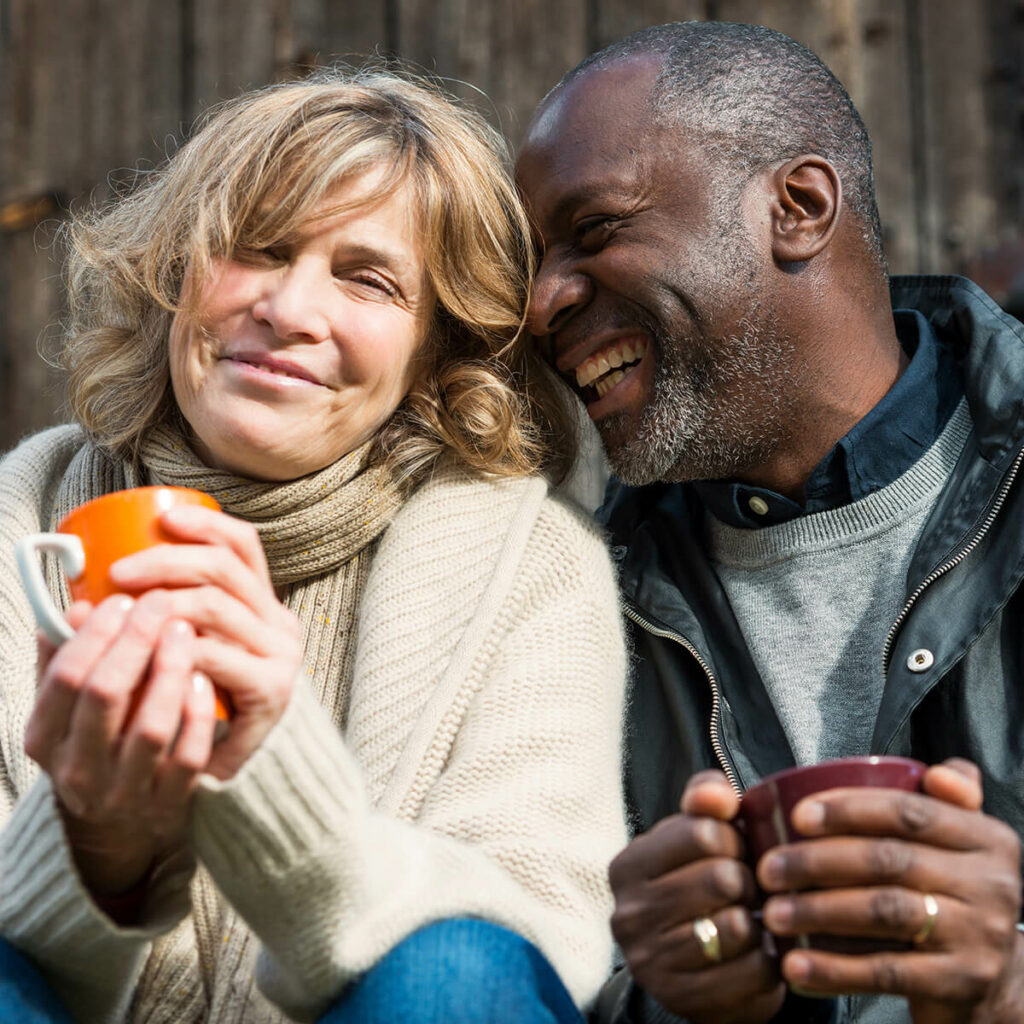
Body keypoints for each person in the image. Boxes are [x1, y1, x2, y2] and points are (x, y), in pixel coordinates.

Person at [0, 67, 629, 1024]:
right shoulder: (22, 522)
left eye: (368, 279)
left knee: (456, 966)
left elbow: (544, 944)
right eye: (255, 250)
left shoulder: (525, 566)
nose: (290, 311)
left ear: (436, 352)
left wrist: (271, 764)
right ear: (174, 276)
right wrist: (96, 842)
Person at [516, 20, 1024, 1024]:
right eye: (531, 261)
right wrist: (667, 1001)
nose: (539, 305)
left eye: (595, 228)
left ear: (795, 207)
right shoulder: (568, 600)